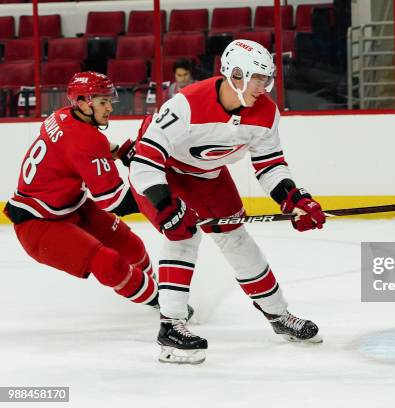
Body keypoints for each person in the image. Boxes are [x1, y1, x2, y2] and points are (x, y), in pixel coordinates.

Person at [129, 39, 326, 364]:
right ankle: (171, 327)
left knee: (236, 237)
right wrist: (166, 206)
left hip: (209, 176)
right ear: (235, 75)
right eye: (257, 78)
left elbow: (270, 165)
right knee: (182, 234)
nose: (263, 87)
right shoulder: (186, 105)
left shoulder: (265, 113)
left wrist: (295, 200)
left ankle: (279, 316)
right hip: (162, 174)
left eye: (266, 79)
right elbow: (144, 161)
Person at [3, 72, 158, 310]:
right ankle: (164, 305)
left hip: (71, 205)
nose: (109, 108)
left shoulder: (61, 115)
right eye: (102, 102)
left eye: (109, 100)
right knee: (109, 263)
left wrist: (120, 150)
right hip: (38, 225)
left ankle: (156, 289)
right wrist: (161, 197)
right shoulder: (86, 139)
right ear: (83, 102)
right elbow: (116, 202)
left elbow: (80, 145)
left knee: (130, 244)